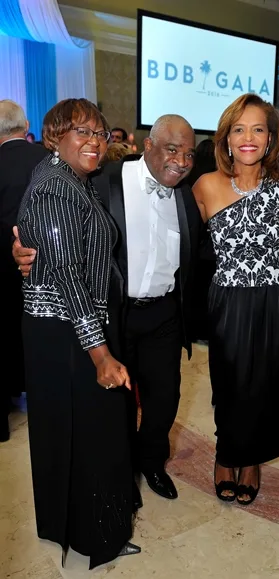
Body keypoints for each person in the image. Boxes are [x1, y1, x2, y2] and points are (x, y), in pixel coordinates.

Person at [15, 114, 201, 505]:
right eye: (172, 150)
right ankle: (122, 471)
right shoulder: (104, 179)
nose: (182, 161)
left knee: (164, 397)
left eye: (189, 154)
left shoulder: (187, 195)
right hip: (114, 314)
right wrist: (23, 250)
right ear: (147, 145)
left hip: (164, 314)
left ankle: (152, 463)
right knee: (115, 402)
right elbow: (56, 225)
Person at [16, 98, 140, 569]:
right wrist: (100, 354)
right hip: (69, 333)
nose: (94, 142)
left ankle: (77, 527)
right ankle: (96, 537)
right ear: (55, 136)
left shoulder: (70, 179)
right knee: (93, 435)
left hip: (69, 328)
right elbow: (68, 276)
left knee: (78, 433)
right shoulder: (57, 188)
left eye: (99, 133)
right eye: (81, 132)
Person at [193, 93, 279, 505]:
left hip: (276, 300)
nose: (248, 138)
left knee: (265, 384)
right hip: (229, 301)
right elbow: (179, 241)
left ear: (270, 138)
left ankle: (251, 459)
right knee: (230, 382)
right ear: (226, 138)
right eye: (239, 129)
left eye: (258, 129)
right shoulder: (205, 186)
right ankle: (226, 455)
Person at [0, 100, 47, 442]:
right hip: (43, 264)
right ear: (26, 125)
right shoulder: (48, 160)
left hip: (1, 269)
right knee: (38, 332)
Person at [187, 138, 217, 343]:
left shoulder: (190, 180)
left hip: (196, 250)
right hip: (211, 250)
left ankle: (195, 330)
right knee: (207, 292)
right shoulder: (215, 182)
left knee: (196, 291)